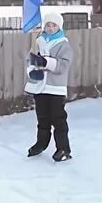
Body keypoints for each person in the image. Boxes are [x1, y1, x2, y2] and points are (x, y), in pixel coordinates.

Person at [25, 12, 73, 162]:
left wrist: (47, 63)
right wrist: (33, 69)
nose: (50, 28)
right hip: (40, 87)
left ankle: (63, 148)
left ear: (59, 27)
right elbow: (30, 60)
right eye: (48, 25)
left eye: (54, 25)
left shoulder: (63, 44)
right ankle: (41, 143)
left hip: (55, 88)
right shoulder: (38, 42)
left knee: (58, 119)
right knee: (42, 119)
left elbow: (63, 65)